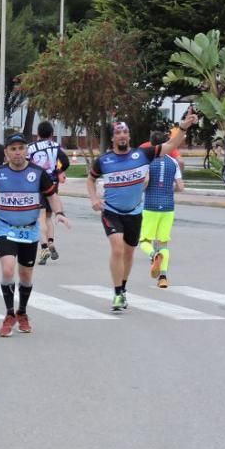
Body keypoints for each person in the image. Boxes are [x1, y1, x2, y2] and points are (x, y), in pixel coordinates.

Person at [87, 115, 195, 311]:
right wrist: (94, 199)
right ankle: (117, 292)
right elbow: (90, 179)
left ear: (129, 136)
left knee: (129, 253)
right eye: (118, 132)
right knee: (117, 248)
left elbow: (171, 145)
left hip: (135, 212)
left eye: (125, 132)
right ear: (112, 138)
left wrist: (183, 127)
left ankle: (123, 288)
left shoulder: (142, 154)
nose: (122, 135)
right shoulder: (104, 160)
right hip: (111, 211)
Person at [0, 134, 71, 337]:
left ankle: (22, 312)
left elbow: (52, 195)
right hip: (5, 227)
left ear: (26, 150)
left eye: (21, 148)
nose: (17, 152)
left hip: (29, 230)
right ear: (6, 152)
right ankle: (9, 314)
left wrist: (60, 214)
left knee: (26, 275)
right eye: (13, 149)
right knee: (8, 270)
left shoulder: (37, 173)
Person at [138, 130, 184, 288]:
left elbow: (146, 181)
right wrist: (170, 190)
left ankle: (153, 255)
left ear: (151, 144)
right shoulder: (173, 162)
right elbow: (181, 187)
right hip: (168, 207)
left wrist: (141, 189)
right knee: (163, 243)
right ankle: (163, 278)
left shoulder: (148, 162)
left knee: (144, 241)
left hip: (151, 206)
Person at [26, 121, 71, 265]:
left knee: (40, 217)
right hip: (52, 184)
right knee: (49, 217)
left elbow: (26, 164)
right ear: (52, 134)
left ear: (38, 134)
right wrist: (58, 170)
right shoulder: (56, 146)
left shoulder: (31, 147)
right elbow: (65, 161)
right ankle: (51, 242)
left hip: (36, 184)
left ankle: (44, 247)